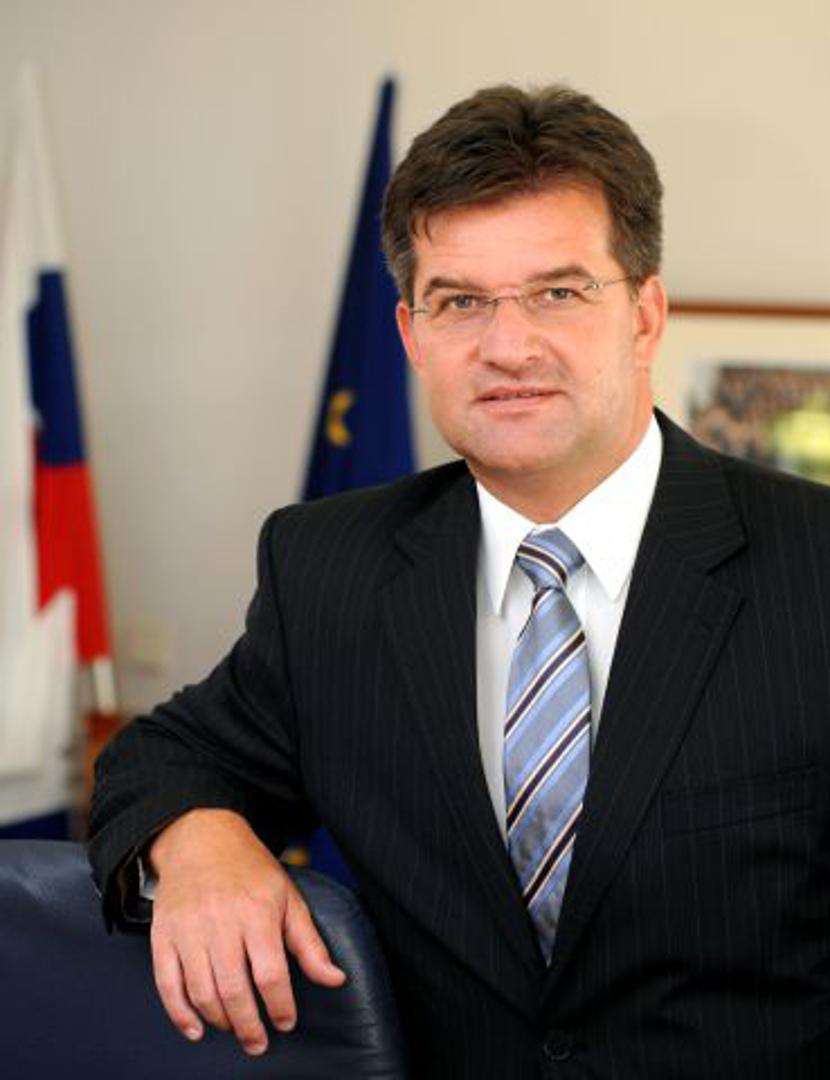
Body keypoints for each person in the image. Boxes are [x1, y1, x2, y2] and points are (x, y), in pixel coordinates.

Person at [89, 84, 830, 1078]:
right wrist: (200, 841)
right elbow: (161, 757)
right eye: (460, 301)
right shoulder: (329, 568)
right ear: (410, 333)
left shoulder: (811, 565)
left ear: (644, 314)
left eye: (558, 292)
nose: (506, 346)